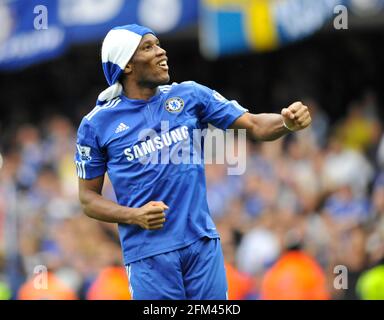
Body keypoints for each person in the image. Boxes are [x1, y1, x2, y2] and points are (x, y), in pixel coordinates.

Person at [75, 24, 312, 300]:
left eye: (159, 44)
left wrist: (286, 122)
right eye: (148, 47)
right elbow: (87, 199)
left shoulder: (189, 95)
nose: (161, 51)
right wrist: (134, 215)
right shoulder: (96, 124)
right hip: (149, 255)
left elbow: (255, 124)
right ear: (126, 64)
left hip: (202, 245)